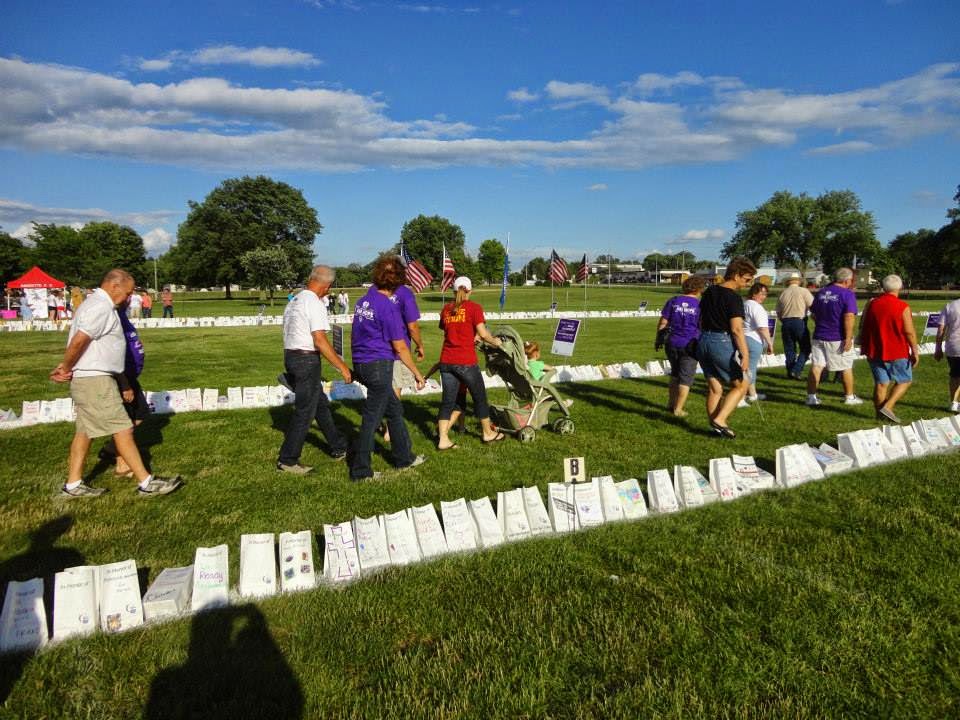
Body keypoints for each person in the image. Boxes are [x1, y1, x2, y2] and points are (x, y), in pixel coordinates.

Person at [50, 268, 181, 497]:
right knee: (123, 428)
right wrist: (66, 367)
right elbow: (80, 340)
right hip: (95, 379)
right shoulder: (100, 307)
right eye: (128, 292)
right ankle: (146, 482)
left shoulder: (99, 306)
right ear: (114, 286)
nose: (129, 298)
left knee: (84, 431)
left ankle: (73, 484)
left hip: (94, 376)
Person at [349, 255, 426, 480]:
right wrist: (417, 373)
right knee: (371, 419)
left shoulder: (364, 300)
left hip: (362, 363)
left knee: (394, 410)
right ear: (398, 281)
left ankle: (404, 458)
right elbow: (401, 348)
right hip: (378, 366)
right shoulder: (387, 307)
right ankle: (361, 470)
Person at [276, 265, 352, 474]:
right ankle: (288, 459)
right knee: (305, 411)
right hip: (306, 359)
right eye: (329, 287)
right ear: (327, 285)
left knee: (319, 405)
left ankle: (338, 446)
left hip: (291, 355)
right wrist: (342, 367)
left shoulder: (295, 301)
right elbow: (319, 340)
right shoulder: (314, 303)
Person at [436, 276, 505, 450]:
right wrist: (495, 342)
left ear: (453, 291)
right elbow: (482, 333)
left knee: (447, 401)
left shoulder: (446, 309)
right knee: (480, 397)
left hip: (446, 361)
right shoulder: (474, 308)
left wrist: (470, 334)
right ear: (470, 291)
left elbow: (450, 329)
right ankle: (487, 433)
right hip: (465, 361)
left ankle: (443, 439)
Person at [696, 256, 756, 438]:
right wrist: (745, 355)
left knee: (715, 388)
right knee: (741, 385)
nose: (748, 284)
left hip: (703, 340)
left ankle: (715, 427)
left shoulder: (709, 291)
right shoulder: (734, 298)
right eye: (747, 279)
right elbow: (737, 329)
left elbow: (700, 317)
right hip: (720, 341)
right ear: (736, 276)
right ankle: (720, 419)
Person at [858, 274, 920, 424]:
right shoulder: (902, 306)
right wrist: (915, 351)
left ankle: (880, 417)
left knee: (881, 383)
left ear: (883, 287)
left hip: (874, 349)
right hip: (896, 349)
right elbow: (909, 332)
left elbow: (862, 324)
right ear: (899, 287)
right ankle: (888, 406)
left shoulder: (871, 303)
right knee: (905, 380)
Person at [99, 297, 150, 477]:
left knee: (140, 413)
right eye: (127, 294)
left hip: (129, 374)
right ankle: (121, 463)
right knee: (124, 422)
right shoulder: (111, 316)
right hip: (121, 376)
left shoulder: (121, 314)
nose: (130, 298)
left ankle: (112, 448)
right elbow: (111, 352)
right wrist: (123, 383)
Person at [806, 267, 863, 407]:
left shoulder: (821, 292)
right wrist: (848, 338)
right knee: (845, 366)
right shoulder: (847, 294)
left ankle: (811, 396)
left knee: (817, 366)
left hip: (819, 335)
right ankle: (849, 397)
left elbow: (813, 313)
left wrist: (821, 323)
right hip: (837, 337)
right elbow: (849, 316)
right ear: (847, 280)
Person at [656, 275, 705, 417]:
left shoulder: (673, 301)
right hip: (690, 344)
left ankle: (671, 404)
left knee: (675, 374)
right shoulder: (700, 305)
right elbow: (702, 326)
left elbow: (663, 322)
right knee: (686, 378)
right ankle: (678, 409)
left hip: (671, 342)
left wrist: (658, 339)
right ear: (699, 289)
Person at [382, 281, 424, 442]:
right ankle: (390, 430)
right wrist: (420, 345)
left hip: (377, 348)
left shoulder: (376, 289)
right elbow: (412, 326)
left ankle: (383, 425)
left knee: (384, 389)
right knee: (396, 389)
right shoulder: (405, 293)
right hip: (397, 349)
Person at [776, 272, 814, 380]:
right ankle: (796, 369)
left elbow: (778, 312)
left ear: (788, 281)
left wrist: (784, 321)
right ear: (798, 281)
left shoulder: (783, 293)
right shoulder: (804, 291)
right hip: (799, 321)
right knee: (806, 348)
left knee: (789, 348)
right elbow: (812, 305)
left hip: (786, 321)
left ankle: (790, 371)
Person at [742, 282, 774, 404]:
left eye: (765, 294)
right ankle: (743, 396)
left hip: (743, 338)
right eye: (761, 293)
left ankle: (752, 393)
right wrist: (770, 343)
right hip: (753, 340)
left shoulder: (745, 304)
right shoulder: (756, 307)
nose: (764, 296)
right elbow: (763, 328)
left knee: (747, 368)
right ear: (754, 293)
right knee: (750, 370)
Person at [935, 295, 960, 412]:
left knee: (955, 375)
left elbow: (941, 329)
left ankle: (954, 402)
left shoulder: (950, 306)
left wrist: (938, 348)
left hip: (953, 347)